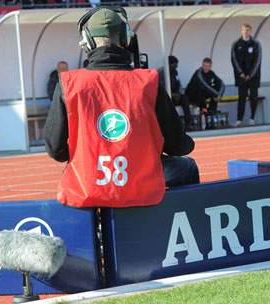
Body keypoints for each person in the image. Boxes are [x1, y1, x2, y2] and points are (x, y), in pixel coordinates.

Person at [43, 7, 199, 208]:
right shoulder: (149, 82)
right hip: (142, 179)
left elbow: (56, 151)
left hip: (89, 182)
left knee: (71, 172)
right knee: (188, 167)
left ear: (87, 42)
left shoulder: (68, 84)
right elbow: (177, 146)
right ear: (126, 39)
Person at [231, 23, 261, 127]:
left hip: (253, 78)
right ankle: (239, 119)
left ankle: (252, 118)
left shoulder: (256, 44)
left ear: (251, 31)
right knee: (241, 98)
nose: (246, 32)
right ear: (241, 31)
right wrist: (241, 73)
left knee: (253, 97)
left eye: (248, 30)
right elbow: (234, 60)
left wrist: (250, 75)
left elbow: (258, 60)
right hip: (241, 78)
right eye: (244, 30)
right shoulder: (236, 44)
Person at [158, 55, 195, 131]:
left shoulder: (175, 72)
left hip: (175, 95)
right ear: (169, 64)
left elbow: (178, 83)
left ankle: (189, 123)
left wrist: (178, 93)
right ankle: (173, 126)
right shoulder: (161, 72)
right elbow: (161, 88)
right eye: (175, 65)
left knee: (184, 98)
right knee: (167, 101)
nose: (176, 67)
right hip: (166, 96)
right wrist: (172, 94)